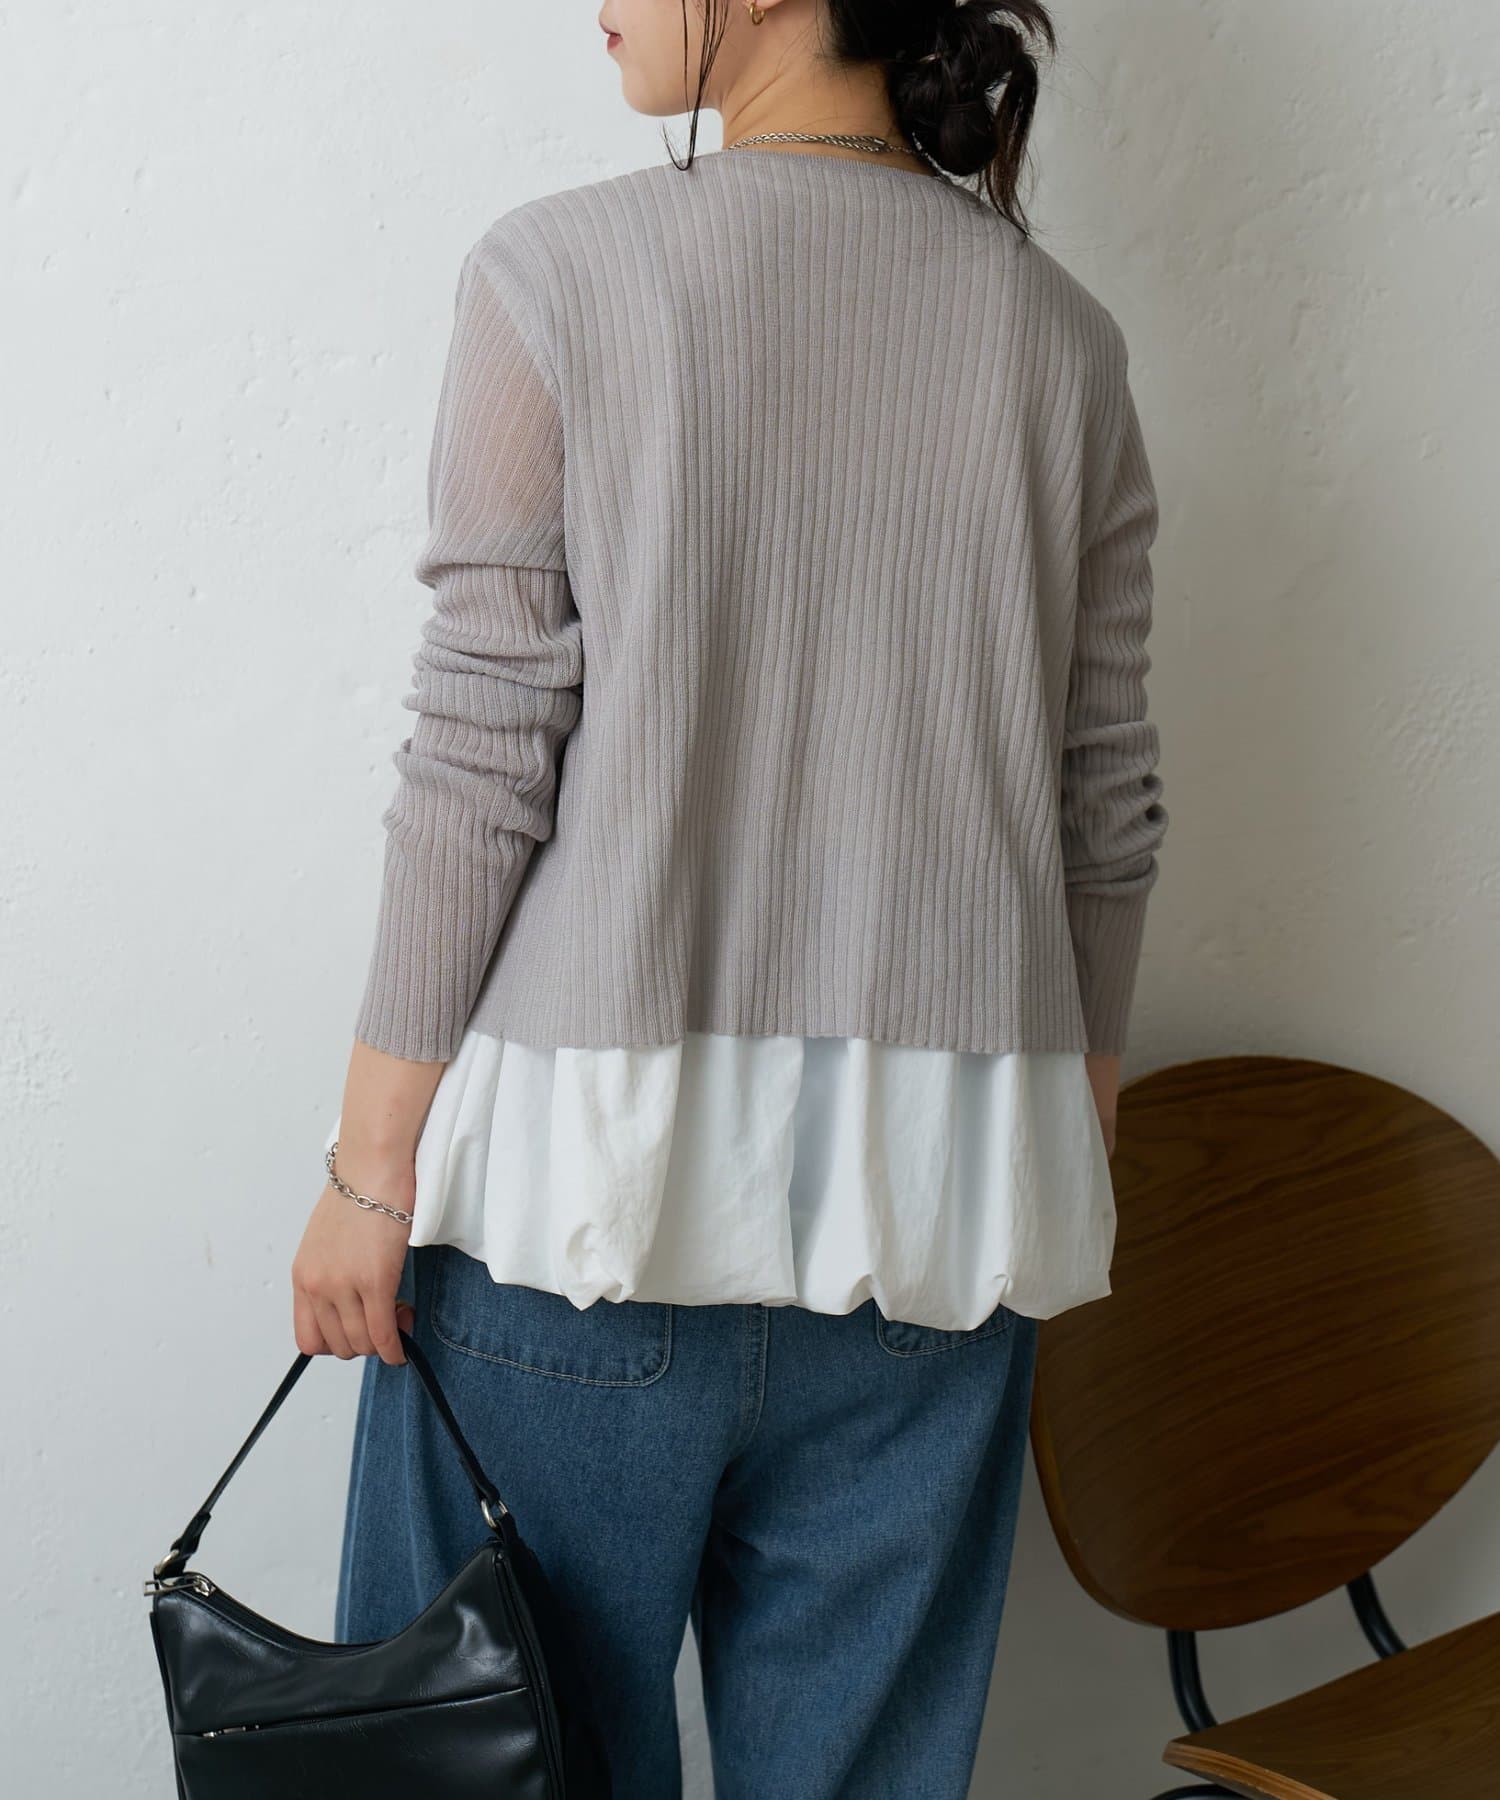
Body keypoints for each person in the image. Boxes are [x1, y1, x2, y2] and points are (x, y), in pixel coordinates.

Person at [292, 1, 1169, 1793]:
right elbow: (1105, 800)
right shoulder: (1063, 340)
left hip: (581, 1225)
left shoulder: (558, 277)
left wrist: (369, 1174)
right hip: (937, 1236)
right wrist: (1059, 1140)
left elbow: (483, 749)